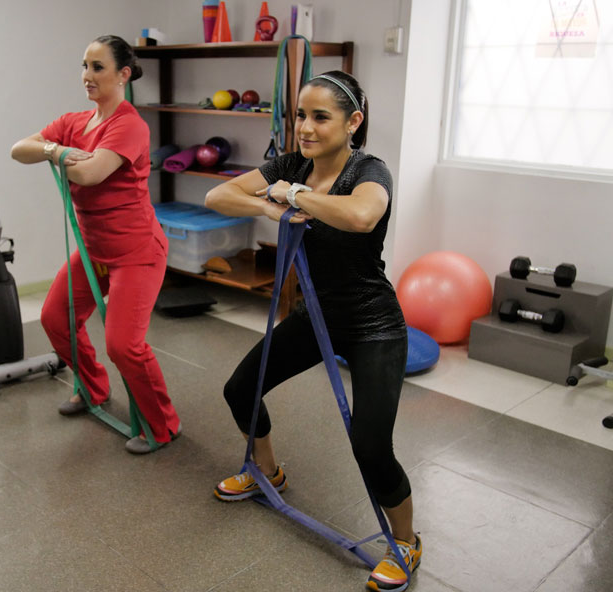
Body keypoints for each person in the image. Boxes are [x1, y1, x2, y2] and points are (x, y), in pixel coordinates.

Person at [204, 70, 421, 591]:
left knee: (370, 445)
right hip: (315, 316)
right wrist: (266, 204)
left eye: (320, 117)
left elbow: (361, 216)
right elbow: (218, 195)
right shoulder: (290, 164)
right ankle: (267, 472)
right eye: (301, 114)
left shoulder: (369, 171)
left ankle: (406, 541)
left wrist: (296, 197)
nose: (305, 126)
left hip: (373, 324)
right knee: (240, 390)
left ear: (353, 122)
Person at [11, 35, 180, 455]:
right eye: (84, 65)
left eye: (98, 67)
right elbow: (19, 149)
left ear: (123, 74)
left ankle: (162, 426)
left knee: (124, 345)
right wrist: (58, 149)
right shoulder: (73, 123)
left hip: (137, 253)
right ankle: (92, 389)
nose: (87, 75)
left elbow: (91, 174)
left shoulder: (130, 125)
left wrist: (53, 155)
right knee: (55, 319)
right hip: (94, 251)